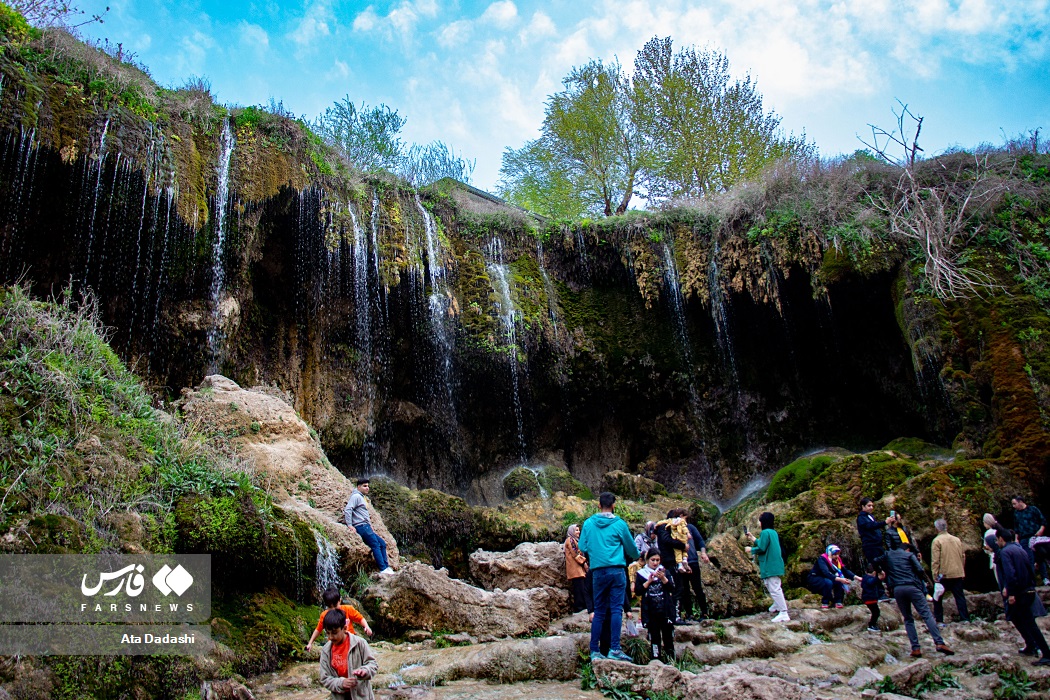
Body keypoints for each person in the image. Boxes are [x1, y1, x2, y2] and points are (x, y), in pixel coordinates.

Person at [579, 491, 639, 662]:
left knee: (598, 612)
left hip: (598, 571)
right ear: (613, 506)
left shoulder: (589, 523)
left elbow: (582, 545)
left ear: (599, 505)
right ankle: (615, 649)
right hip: (617, 571)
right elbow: (632, 550)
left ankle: (594, 651)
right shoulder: (620, 524)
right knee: (615, 610)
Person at [876, 543, 954, 657]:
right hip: (912, 587)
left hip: (897, 589)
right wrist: (928, 583)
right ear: (907, 549)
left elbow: (874, 561)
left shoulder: (888, 554)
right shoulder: (909, 556)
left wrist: (881, 571)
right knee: (926, 614)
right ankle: (939, 642)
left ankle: (915, 648)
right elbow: (920, 569)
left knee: (908, 619)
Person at [997, 527, 1050, 665]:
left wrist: (1011, 592)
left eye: (997, 540)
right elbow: (1030, 569)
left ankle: (1046, 653)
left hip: (1019, 592)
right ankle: (1030, 645)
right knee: (1015, 617)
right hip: (1028, 589)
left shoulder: (1005, 552)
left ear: (1001, 539)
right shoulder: (1020, 548)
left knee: (1029, 622)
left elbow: (1010, 573)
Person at [318, 608, 379, 700]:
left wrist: (365, 671)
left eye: (334, 633)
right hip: (339, 696)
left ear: (345, 628)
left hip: (361, 696)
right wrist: (341, 683)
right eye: (328, 633)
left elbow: (372, 664)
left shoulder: (360, 643)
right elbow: (324, 678)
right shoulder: (326, 650)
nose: (330, 637)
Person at [745, 512, 790, 623]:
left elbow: (762, 548)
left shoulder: (765, 532)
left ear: (763, 522)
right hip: (775, 564)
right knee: (772, 585)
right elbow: (763, 543)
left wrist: (751, 549)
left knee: (774, 587)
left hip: (770, 565)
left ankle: (784, 612)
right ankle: (777, 604)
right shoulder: (773, 532)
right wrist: (753, 538)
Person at [344, 479, 393, 574]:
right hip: (361, 526)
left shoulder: (362, 497)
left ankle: (386, 567)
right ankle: (383, 569)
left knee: (382, 543)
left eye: (367, 486)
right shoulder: (356, 496)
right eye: (364, 486)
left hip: (366, 526)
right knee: (375, 545)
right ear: (358, 487)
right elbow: (348, 509)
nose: (367, 488)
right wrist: (349, 525)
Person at [635, 551, 676, 662]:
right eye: (653, 560)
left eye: (657, 560)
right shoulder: (641, 574)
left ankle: (671, 660)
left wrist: (663, 579)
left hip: (665, 610)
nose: (655, 563)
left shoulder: (664, 572)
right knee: (654, 637)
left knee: (668, 637)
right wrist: (648, 582)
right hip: (651, 611)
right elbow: (638, 591)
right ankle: (655, 659)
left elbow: (672, 588)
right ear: (647, 560)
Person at [306, 588, 372, 652]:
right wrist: (310, 643)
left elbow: (360, 618)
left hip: (350, 643)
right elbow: (318, 629)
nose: (333, 609)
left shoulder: (348, 609)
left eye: (335, 605)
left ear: (340, 600)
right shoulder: (324, 615)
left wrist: (366, 627)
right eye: (330, 607)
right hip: (334, 644)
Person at [655, 508, 691, 624]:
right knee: (676, 588)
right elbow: (666, 540)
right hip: (669, 561)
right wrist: (682, 545)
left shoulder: (668, 527)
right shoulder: (664, 527)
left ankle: (674, 615)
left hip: (673, 561)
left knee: (678, 588)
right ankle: (674, 616)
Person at [930, 518, 969, 624]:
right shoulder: (957, 539)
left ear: (936, 529)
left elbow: (935, 560)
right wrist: (962, 570)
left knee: (938, 598)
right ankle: (965, 618)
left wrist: (935, 575)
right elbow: (963, 556)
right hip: (957, 572)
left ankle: (939, 620)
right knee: (960, 597)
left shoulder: (937, 541)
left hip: (944, 575)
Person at [807, 544, 862, 609]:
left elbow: (845, 570)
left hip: (827, 577)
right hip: (815, 578)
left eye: (838, 554)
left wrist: (857, 578)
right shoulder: (822, 559)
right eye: (835, 554)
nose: (837, 556)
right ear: (830, 553)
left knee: (838, 582)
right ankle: (825, 602)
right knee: (829, 582)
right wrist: (841, 579)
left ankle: (838, 601)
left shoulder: (837, 560)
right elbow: (826, 573)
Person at [679, 520, 710, 622]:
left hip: (692, 561)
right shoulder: (673, 530)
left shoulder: (690, 527)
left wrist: (703, 553)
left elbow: (700, 540)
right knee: (684, 590)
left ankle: (704, 612)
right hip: (680, 563)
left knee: (697, 588)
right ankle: (689, 614)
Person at [1012, 495, 1047, 579]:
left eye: (1014, 504)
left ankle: (1045, 577)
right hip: (1024, 538)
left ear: (1020, 502)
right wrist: (1016, 539)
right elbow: (1016, 527)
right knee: (1028, 559)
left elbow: (1043, 521)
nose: (1013, 506)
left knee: (1040, 558)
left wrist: (1041, 529)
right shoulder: (1016, 513)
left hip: (1035, 537)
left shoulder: (1033, 509)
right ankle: (1031, 579)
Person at [565, 523, 591, 613]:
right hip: (575, 568)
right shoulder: (570, 540)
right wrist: (584, 563)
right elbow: (575, 553)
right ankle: (579, 607)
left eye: (579, 530)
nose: (578, 532)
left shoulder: (576, 540)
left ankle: (583, 606)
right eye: (576, 530)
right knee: (579, 589)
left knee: (582, 587)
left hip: (579, 568)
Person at [857, 497, 887, 566]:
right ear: (863, 506)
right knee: (876, 565)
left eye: (872, 506)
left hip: (878, 545)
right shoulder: (861, 517)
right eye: (869, 506)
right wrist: (884, 522)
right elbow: (870, 526)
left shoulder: (870, 516)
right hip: (871, 546)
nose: (871, 507)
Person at [861, 563, 885, 632]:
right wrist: (878, 578)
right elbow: (871, 582)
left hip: (869, 599)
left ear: (866, 571)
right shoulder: (870, 579)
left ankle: (872, 624)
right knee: (876, 612)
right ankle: (871, 625)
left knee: (875, 612)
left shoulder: (864, 578)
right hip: (870, 599)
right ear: (874, 572)